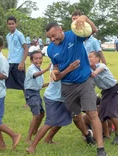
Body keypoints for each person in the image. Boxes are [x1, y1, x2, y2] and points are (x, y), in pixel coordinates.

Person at [46, 17, 107, 156]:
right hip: (67, 87)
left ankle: (100, 149)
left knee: (92, 113)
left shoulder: (74, 35)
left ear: (60, 30)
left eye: (53, 36)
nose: (52, 40)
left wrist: (85, 18)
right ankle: (87, 135)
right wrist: (56, 72)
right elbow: (56, 68)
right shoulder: (50, 49)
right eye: (49, 38)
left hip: (85, 82)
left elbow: (94, 30)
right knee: (76, 117)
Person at [26, 60, 80, 154]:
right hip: (53, 97)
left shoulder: (71, 60)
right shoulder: (57, 62)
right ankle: (32, 147)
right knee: (50, 122)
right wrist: (69, 68)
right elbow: (56, 77)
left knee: (62, 120)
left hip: (65, 97)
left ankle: (48, 139)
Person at [89, 51, 118, 145]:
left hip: (114, 90)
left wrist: (95, 72)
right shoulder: (89, 71)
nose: (88, 58)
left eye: (91, 57)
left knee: (111, 112)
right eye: (87, 57)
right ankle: (107, 135)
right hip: (105, 93)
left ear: (97, 59)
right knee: (101, 116)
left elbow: (99, 70)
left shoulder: (102, 66)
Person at [24, 51, 50, 144]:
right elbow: (35, 75)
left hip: (37, 92)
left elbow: (39, 85)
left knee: (42, 114)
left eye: (40, 58)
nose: (38, 60)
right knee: (36, 115)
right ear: (31, 60)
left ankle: (35, 130)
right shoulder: (32, 69)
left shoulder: (38, 69)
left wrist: (49, 84)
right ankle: (28, 138)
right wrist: (47, 69)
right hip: (31, 93)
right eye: (36, 59)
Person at [6, 16, 28, 108]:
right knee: (5, 81)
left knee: (23, 83)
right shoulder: (7, 36)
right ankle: (0, 100)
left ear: (16, 24)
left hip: (18, 63)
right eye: (9, 24)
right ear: (7, 25)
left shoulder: (19, 35)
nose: (11, 25)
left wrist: (22, 62)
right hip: (9, 62)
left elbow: (26, 48)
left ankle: (28, 102)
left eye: (13, 23)